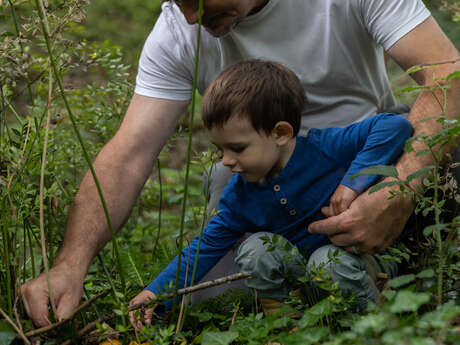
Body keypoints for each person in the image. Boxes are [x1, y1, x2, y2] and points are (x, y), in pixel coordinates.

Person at [20, 0, 460, 327]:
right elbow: (128, 155)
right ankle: (288, 312)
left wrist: (397, 188)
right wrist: (70, 264)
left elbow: (448, 75)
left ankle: (390, 285)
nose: (190, 17)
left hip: (359, 166)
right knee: (196, 304)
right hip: (263, 193)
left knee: (441, 145)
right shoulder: (178, 29)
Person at [129, 59, 413, 328]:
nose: (226, 161)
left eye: (237, 148)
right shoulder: (240, 195)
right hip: (302, 280)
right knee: (255, 248)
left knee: (327, 261)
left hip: (353, 264)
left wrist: (352, 183)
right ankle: (287, 326)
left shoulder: (323, 148)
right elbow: (202, 249)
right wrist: (157, 293)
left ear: (280, 134)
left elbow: (392, 126)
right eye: (221, 149)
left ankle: (374, 329)